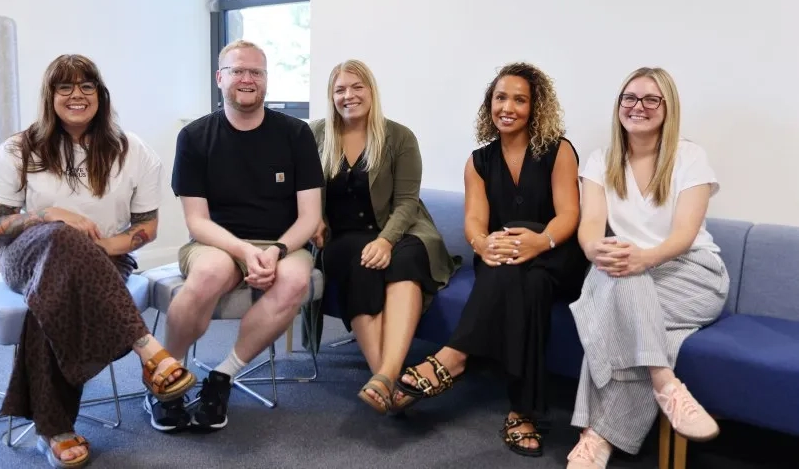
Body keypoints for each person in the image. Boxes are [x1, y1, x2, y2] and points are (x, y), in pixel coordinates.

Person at [0, 54, 195, 469]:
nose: (77, 95)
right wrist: (51, 214)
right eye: (65, 87)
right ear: (50, 96)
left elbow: (148, 226)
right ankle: (149, 351)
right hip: (25, 258)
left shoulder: (133, 150)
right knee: (59, 237)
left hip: (104, 260)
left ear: (100, 95)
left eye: (87, 86)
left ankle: (54, 430)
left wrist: (104, 247)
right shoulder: (19, 148)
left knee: (51, 295)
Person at [392, 62, 588, 457]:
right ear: (489, 104)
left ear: (536, 107)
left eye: (520, 99)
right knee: (527, 280)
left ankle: (455, 356)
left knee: (519, 232)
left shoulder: (557, 150)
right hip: (506, 261)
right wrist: (481, 245)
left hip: (556, 255)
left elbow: (569, 214)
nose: (508, 107)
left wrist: (541, 241)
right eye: (501, 97)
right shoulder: (478, 162)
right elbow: (475, 223)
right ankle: (523, 410)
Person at [565, 67, 728, 469]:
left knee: (619, 288)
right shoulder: (600, 161)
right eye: (630, 98)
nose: (639, 107)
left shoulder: (690, 156)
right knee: (620, 274)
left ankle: (595, 436)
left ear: (667, 108)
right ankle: (666, 386)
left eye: (651, 99)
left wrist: (641, 258)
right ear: (619, 106)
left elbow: (684, 235)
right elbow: (589, 229)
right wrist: (595, 251)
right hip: (633, 276)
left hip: (693, 276)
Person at [157, 39, 323, 432]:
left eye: (257, 72)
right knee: (211, 272)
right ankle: (163, 378)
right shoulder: (195, 137)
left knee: (296, 278)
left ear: (266, 80)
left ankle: (223, 377)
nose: (248, 79)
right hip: (215, 241)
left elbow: (310, 217)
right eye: (237, 71)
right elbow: (197, 221)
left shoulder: (296, 134)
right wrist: (244, 251)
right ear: (220, 78)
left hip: (284, 241)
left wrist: (278, 250)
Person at [308, 59, 458, 413]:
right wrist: (315, 219)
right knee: (356, 261)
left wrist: (386, 241)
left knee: (404, 260)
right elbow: (306, 190)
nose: (349, 96)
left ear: (371, 91)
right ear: (331, 96)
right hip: (342, 236)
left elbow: (406, 203)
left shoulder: (399, 137)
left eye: (357, 87)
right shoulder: (315, 135)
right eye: (340, 89)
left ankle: (385, 376)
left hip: (401, 229)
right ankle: (388, 383)